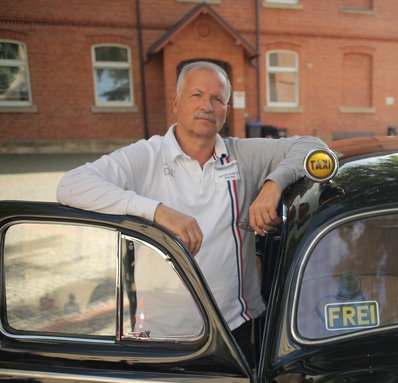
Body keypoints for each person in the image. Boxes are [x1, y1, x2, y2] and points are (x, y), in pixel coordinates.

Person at [56, 61, 326, 360]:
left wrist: (273, 184)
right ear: (176, 102)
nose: (206, 106)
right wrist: (156, 211)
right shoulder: (147, 155)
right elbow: (71, 185)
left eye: (217, 99)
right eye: (196, 95)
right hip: (163, 334)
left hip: (231, 327)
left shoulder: (241, 155)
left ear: (226, 109)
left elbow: (312, 145)